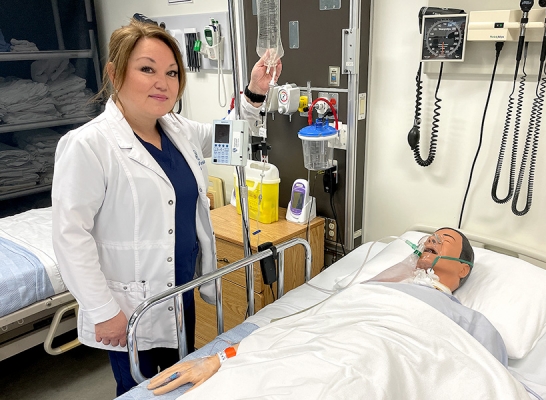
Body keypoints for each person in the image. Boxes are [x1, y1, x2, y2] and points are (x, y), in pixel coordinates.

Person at [51, 18, 281, 396]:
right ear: (114, 72)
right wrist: (103, 311)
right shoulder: (88, 146)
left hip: (179, 289)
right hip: (127, 303)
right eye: (147, 69)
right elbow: (69, 237)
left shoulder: (175, 129)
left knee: (179, 380)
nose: (163, 82)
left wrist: (256, 90)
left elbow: (228, 132)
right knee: (139, 390)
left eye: (172, 72)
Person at [146, 228, 508, 396]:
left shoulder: (468, 320)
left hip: (385, 354)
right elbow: (304, 327)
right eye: (430, 237)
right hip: (334, 343)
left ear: (462, 269)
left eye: (443, 241)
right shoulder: (369, 291)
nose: (431, 240)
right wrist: (225, 357)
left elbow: (483, 370)